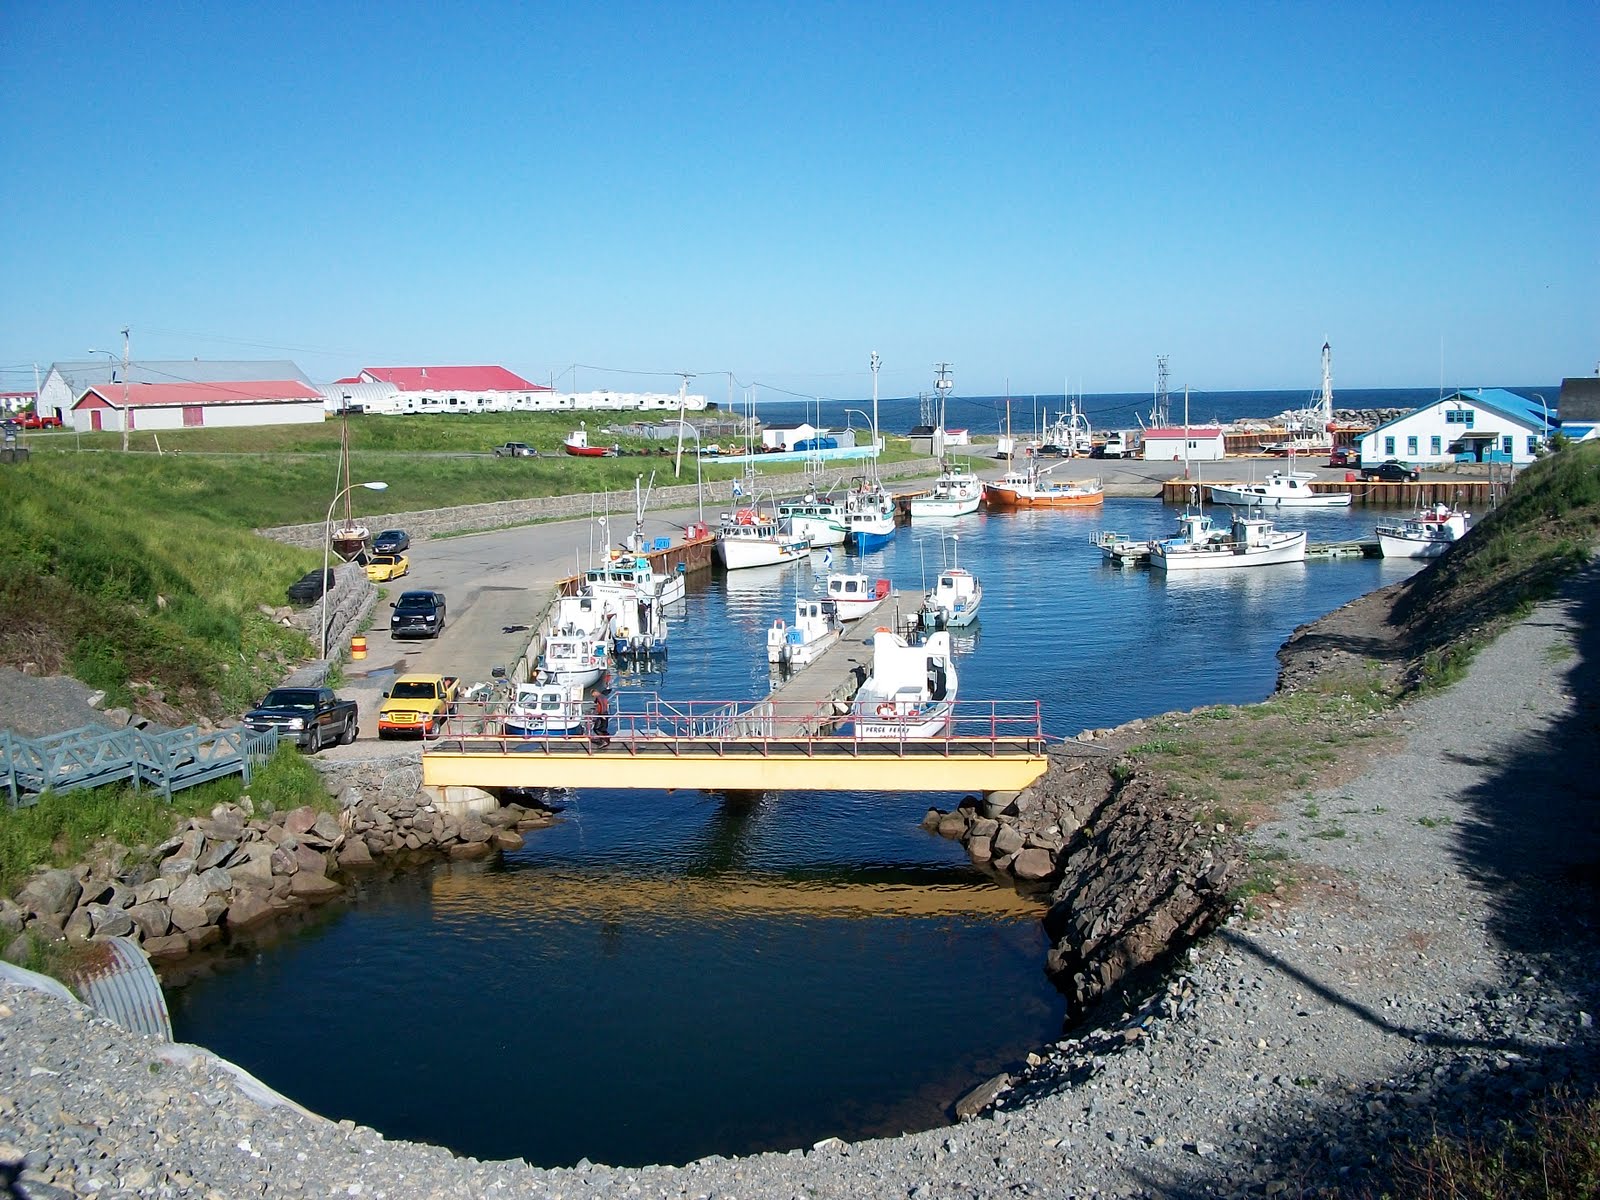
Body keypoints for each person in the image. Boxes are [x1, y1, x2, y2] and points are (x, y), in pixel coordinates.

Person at [590, 674, 613, 748]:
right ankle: (604, 740)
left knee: (599, 728)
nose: (593, 696)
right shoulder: (601, 697)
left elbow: (603, 705)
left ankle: (604, 741)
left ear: (595, 693)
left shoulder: (600, 697)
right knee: (601, 728)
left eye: (593, 695)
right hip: (602, 714)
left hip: (603, 714)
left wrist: (602, 714)